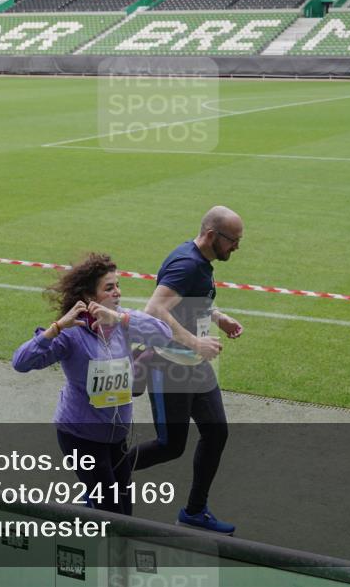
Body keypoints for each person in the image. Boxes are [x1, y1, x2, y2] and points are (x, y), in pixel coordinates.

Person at [12, 253, 171, 515]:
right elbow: (21, 362)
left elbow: (164, 334)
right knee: (112, 512)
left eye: (118, 285)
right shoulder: (71, 334)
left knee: (124, 510)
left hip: (117, 436)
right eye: (109, 288)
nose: (117, 292)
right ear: (89, 296)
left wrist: (120, 318)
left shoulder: (121, 320)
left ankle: (96, 522)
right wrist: (55, 328)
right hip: (80, 437)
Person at [131, 206, 244, 534]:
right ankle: (101, 479)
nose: (236, 247)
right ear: (212, 236)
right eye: (233, 241)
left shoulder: (200, 262)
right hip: (170, 367)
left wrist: (218, 317)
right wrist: (195, 342)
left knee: (216, 432)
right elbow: (153, 310)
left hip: (196, 369)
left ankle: (195, 511)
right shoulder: (186, 264)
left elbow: (195, 299)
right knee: (170, 445)